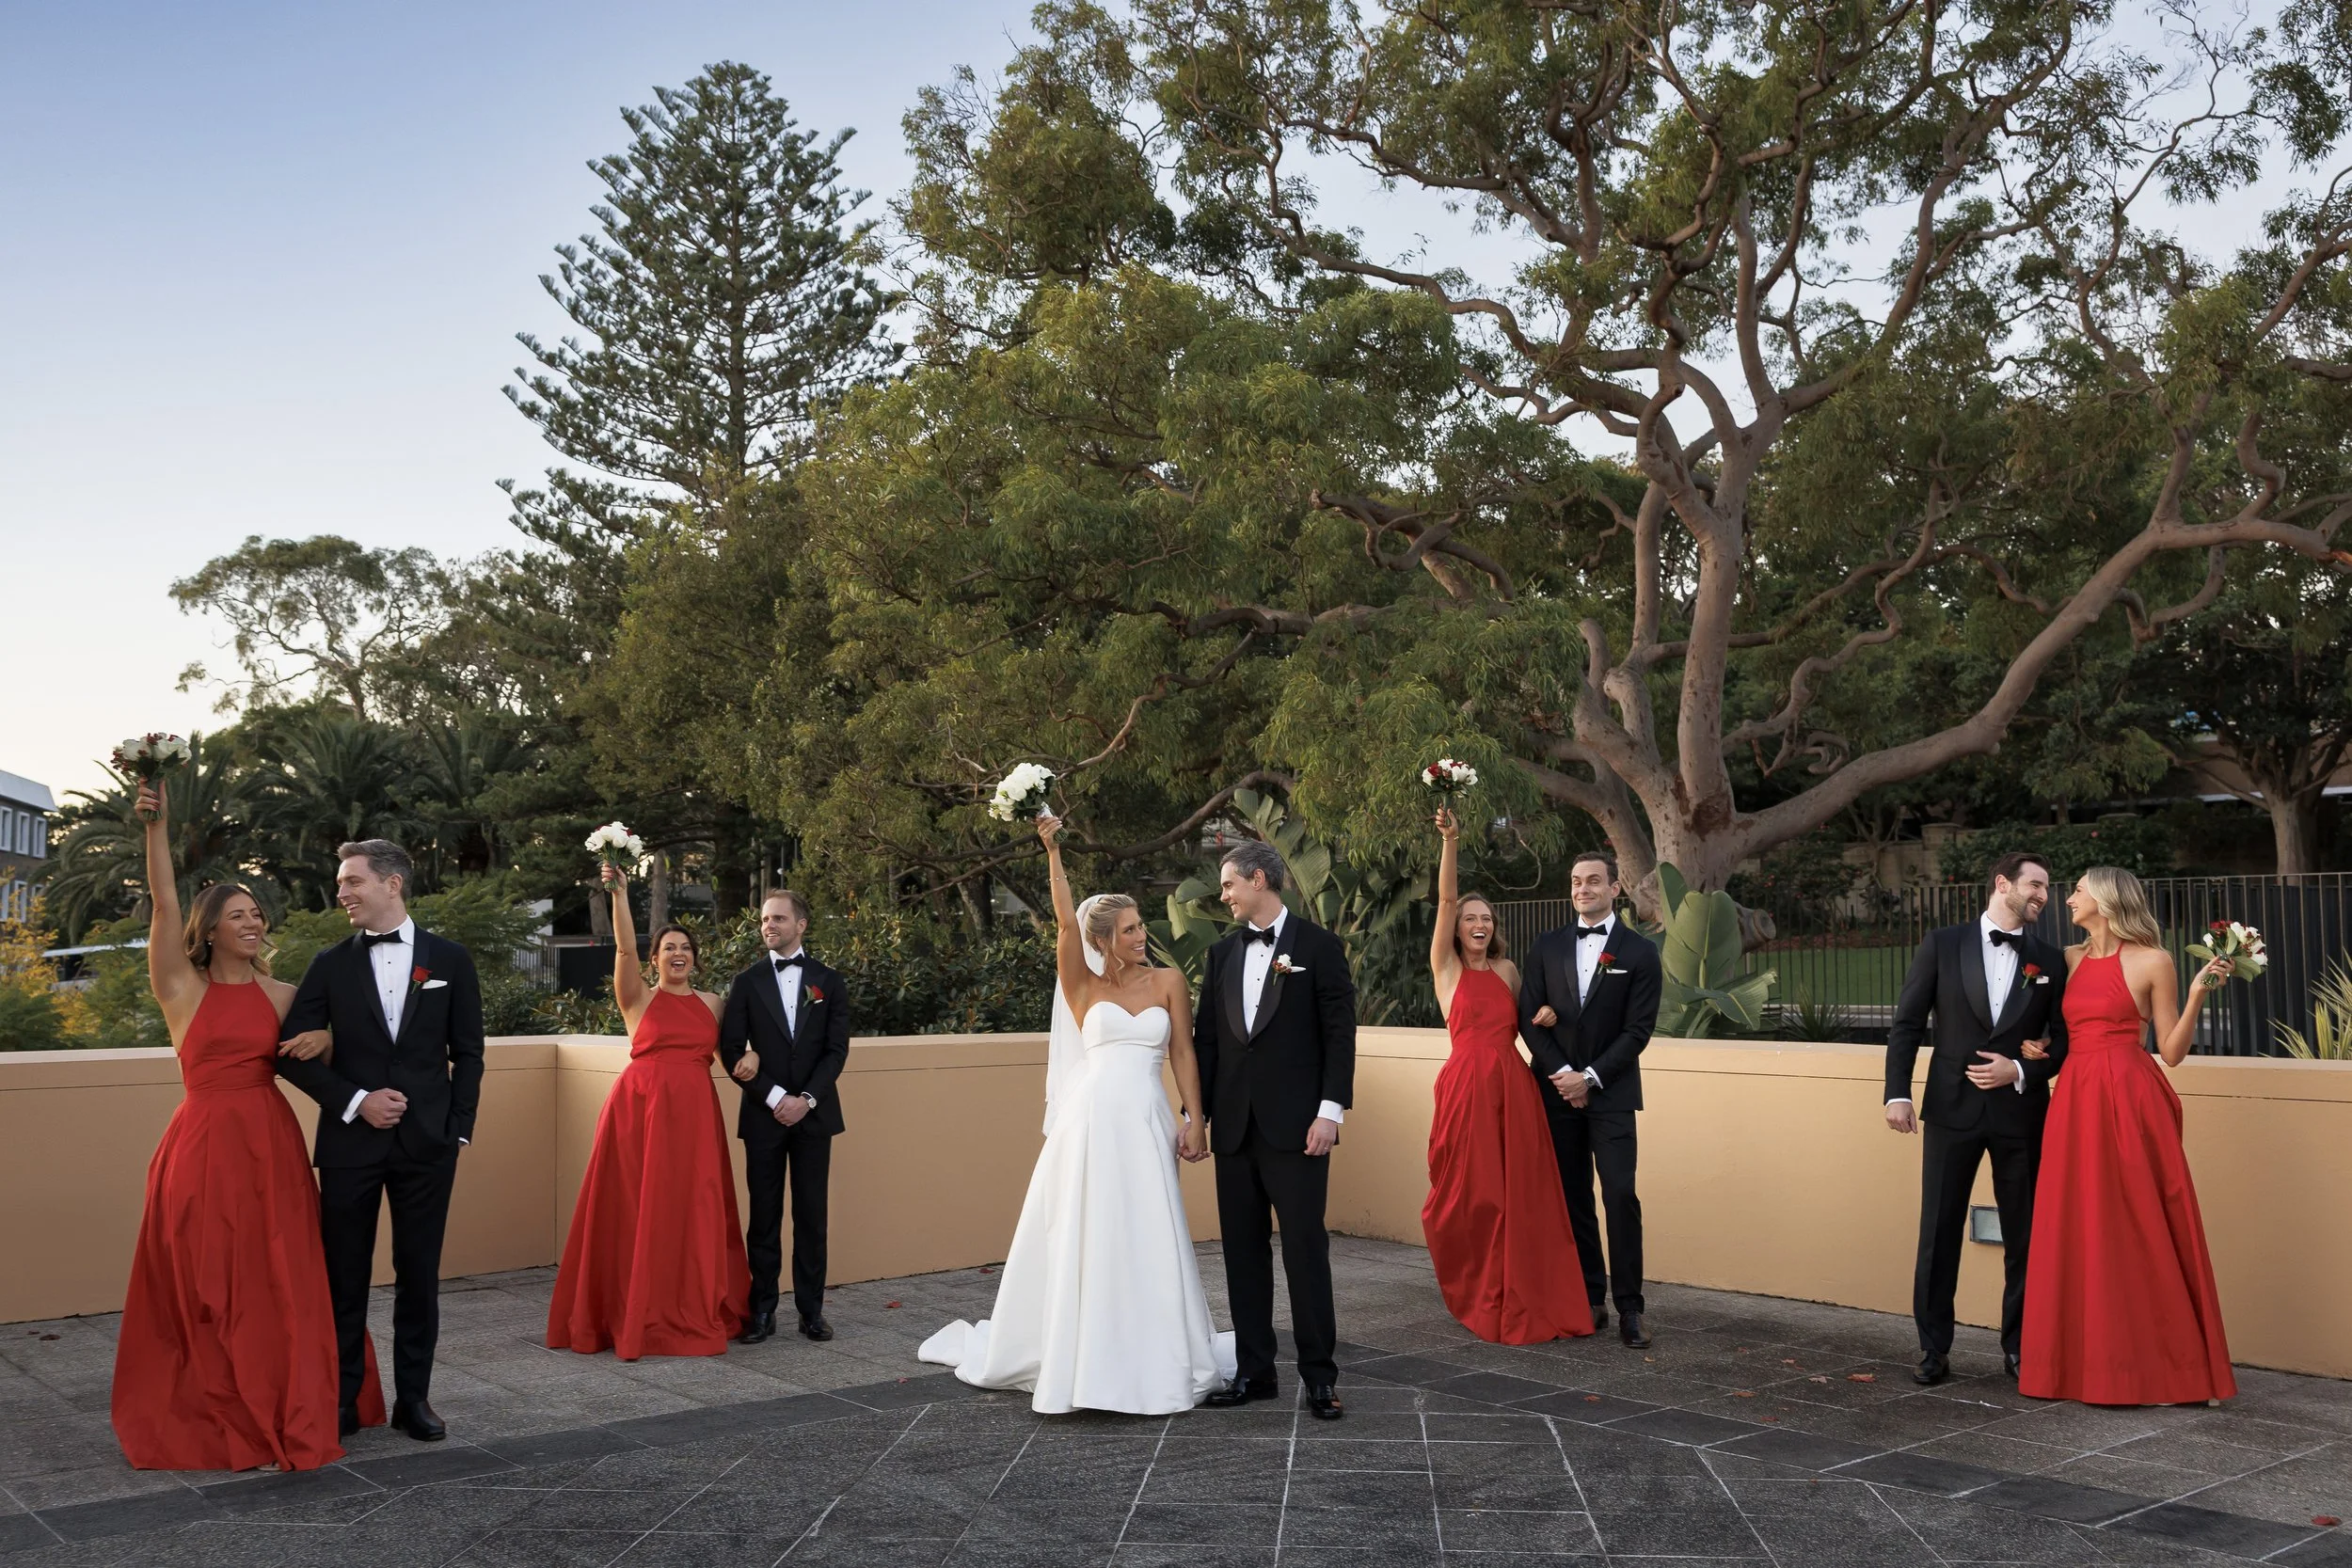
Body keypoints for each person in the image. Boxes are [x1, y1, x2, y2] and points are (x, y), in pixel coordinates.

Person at [111, 778, 383, 1470]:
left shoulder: (287, 994)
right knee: (208, 1282)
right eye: (238, 914)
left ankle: (282, 1402)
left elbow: (345, 1041)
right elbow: (165, 902)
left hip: (271, 1147)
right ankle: (222, 1406)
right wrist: (155, 827)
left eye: (257, 912)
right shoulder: (181, 985)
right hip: (202, 1149)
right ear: (211, 929)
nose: (253, 922)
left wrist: (322, 1041)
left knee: (277, 1280)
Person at [919, 812, 1232, 1413]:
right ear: (1104, 938)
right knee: (1089, 1232)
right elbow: (1064, 917)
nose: (1142, 935)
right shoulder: (1082, 987)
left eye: (1142, 926)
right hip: (1089, 1125)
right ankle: (1082, 1355)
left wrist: (1196, 1118)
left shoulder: (1168, 981)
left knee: (1147, 1231)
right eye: (1132, 929)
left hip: (1145, 1119)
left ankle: (1153, 1350)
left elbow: (1183, 1051)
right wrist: (1051, 849)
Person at [277, 839, 484, 1443]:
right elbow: (290, 1054)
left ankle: (413, 1401)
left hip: (429, 1147)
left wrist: (458, 1129)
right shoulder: (329, 963)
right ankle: (343, 1401)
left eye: (351, 882)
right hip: (349, 1146)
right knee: (343, 1276)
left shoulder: (451, 958)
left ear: (392, 884)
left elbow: (468, 1052)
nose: (341, 893)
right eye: (342, 884)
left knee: (419, 1274)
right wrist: (355, 1101)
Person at [2019, 866, 2235, 1406]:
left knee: (2139, 1221)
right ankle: (2082, 1367)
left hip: (2130, 1097)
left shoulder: (2153, 960)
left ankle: (2164, 1369)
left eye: (2077, 891)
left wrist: (2196, 994)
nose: (2068, 899)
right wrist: (2041, 1046)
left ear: (2106, 900)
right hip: (2075, 1099)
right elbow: (2067, 1029)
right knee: (2080, 1223)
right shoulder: (2068, 959)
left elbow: (2173, 1051)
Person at [547, 865, 750, 1358]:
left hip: (696, 1119)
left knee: (693, 1210)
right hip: (639, 1115)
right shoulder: (637, 998)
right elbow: (622, 949)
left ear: (695, 960)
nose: (677, 954)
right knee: (636, 1211)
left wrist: (752, 1057)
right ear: (655, 959)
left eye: (685, 948)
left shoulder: (714, 1004)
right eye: (668, 948)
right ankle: (633, 1312)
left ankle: (689, 1304)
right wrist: (618, 893)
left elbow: (729, 1057)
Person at [1883, 851, 2070, 1386]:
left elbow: (2063, 1041)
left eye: (2047, 888)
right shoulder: (1942, 944)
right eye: (2035, 885)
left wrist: (2019, 1069)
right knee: (1938, 1232)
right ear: (2003, 883)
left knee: (2025, 1236)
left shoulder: (2050, 961)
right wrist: (1897, 1094)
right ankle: (1933, 1349)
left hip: (2021, 1113)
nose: (2042, 896)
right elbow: (1906, 1024)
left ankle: (2020, 1348)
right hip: (1951, 1111)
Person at [1195, 838, 1357, 1420]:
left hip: (1300, 1129)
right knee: (1242, 1255)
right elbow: (1207, 1042)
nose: (1224, 894)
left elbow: (1340, 1034)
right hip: (1235, 1130)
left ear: (1260, 879)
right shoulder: (1220, 955)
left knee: (1305, 1252)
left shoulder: (1319, 946)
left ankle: (1320, 1378)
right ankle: (1255, 1373)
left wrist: (1330, 1112)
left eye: (1229, 883)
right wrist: (1199, 1117)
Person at [1422, 808, 1595, 1345]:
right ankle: (1478, 1285)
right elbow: (1446, 900)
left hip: (1514, 1089)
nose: (1478, 925)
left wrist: (1544, 1017)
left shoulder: (1508, 971)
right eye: (1471, 918)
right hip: (1466, 1089)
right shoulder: (1445, 968)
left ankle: (1521, 1286)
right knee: (1473, 1196)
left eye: (1487, 920)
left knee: (1520, 1197)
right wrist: (1452, 840)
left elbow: (1529, 1023)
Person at [1518, 851, 1662, 1348]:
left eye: (1594, 881)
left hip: (1613, 1094)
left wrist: (1591, 1078)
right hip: (1557, 1095)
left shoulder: (1640, 953)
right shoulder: (1547, 946)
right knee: (1573, 1196)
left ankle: (1630, 1308)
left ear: (1615, 889)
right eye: (1577, 881)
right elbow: (1526, 1019)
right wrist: (1563, 1076)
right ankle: (1588, 1296)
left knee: (1620, 1194)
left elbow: (1638, 1030)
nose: (1584, 888)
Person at [718, 888, 850, 1343]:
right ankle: (762, 1313)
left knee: (812, 1217)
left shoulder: (828, 981)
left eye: (777, 918)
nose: (768, 926)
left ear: (801, 925)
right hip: (763, 1116)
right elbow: (732, 1051)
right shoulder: (747, 981)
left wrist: (806, 1099)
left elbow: (836, 1051)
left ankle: (812, 1312)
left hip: (815, 1117)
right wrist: (776, 1097)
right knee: (764, 1216)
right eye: (764, 919)